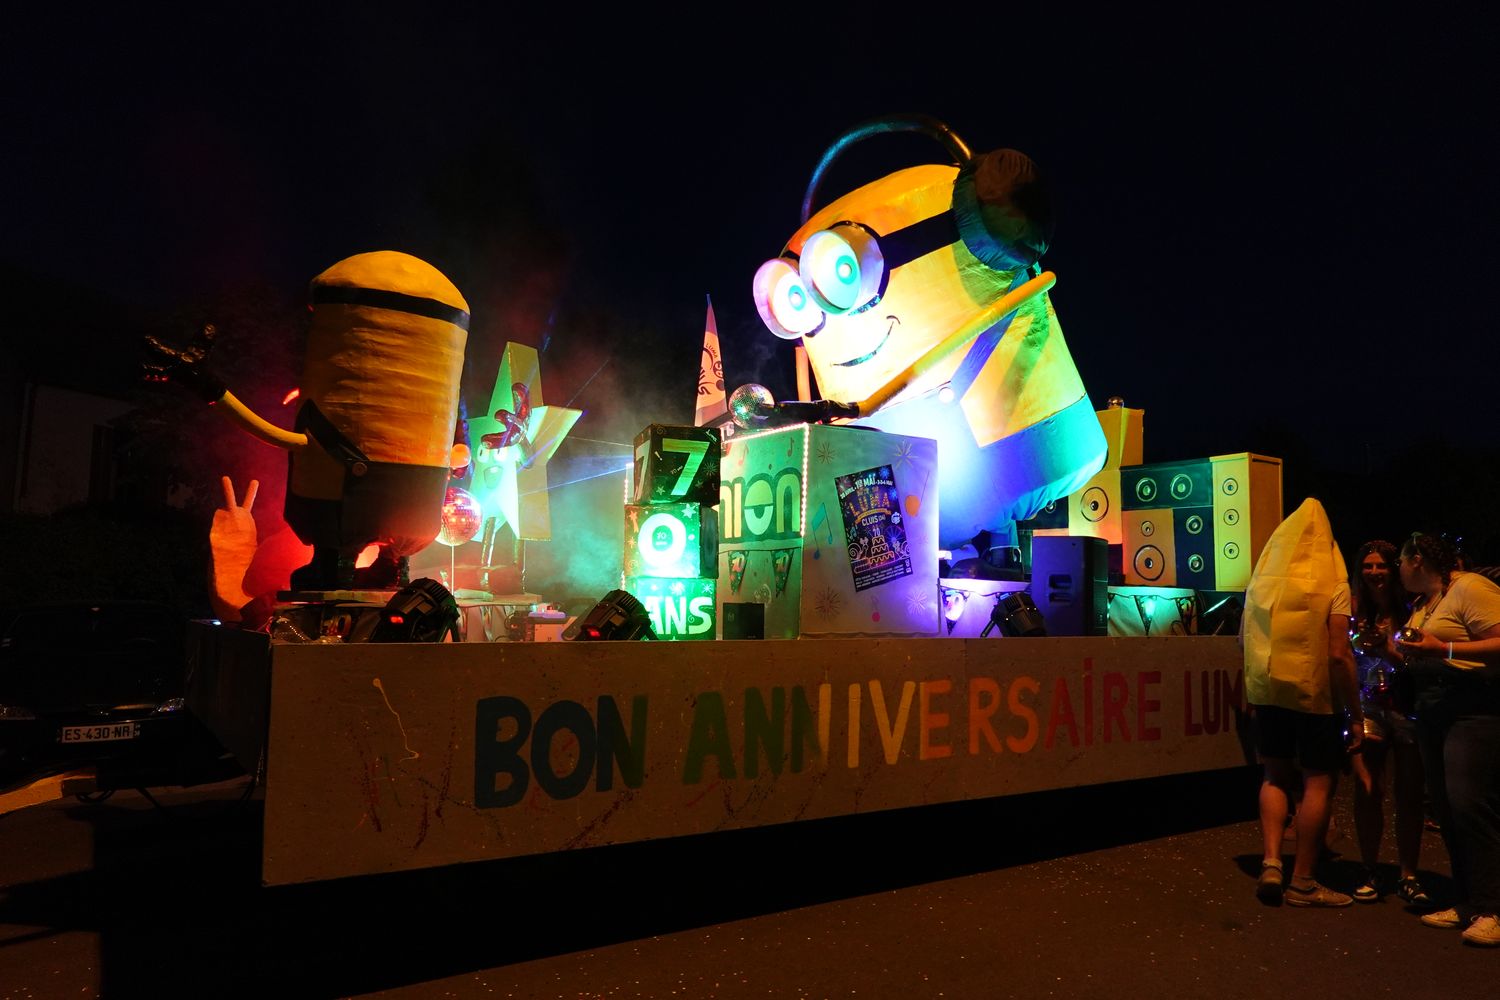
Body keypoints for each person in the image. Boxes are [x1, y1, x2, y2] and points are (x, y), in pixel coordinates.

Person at [1243, 498, 1363, 906]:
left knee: (1274, 776)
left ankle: (1271, 862)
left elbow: (1244, 641)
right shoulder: (1335, 584)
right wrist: (1356, 714)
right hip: (1316, 697)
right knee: (1318, 783)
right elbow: (1338, 653)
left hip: (1269, 692)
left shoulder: (1262, 581)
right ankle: (1304, 881)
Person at [1395, 532, 1500, 946]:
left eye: (1400, 563)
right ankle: (1469, 901)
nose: (1398, 571)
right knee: (1446, 808)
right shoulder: (1425, 603)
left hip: (1472, 709)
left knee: (1470, 804)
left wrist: (1444, 650)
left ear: (1416, 560)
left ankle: (1494, 909)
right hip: (1433, 709)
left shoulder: (1470, 587)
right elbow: (1428, 649)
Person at [1347, 540, 1430, 905]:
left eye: (1381, 565)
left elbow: (1420, 663)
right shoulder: (1352, 608)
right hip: (1367, 708)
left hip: (1407, 708)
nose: (1374, 572)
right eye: (1367, 566)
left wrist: (1385, 647)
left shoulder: (1413, 609)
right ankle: (1369, 869)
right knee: (1367, 790)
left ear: (1394, 569)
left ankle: (1409, 875)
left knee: (1409, 794)